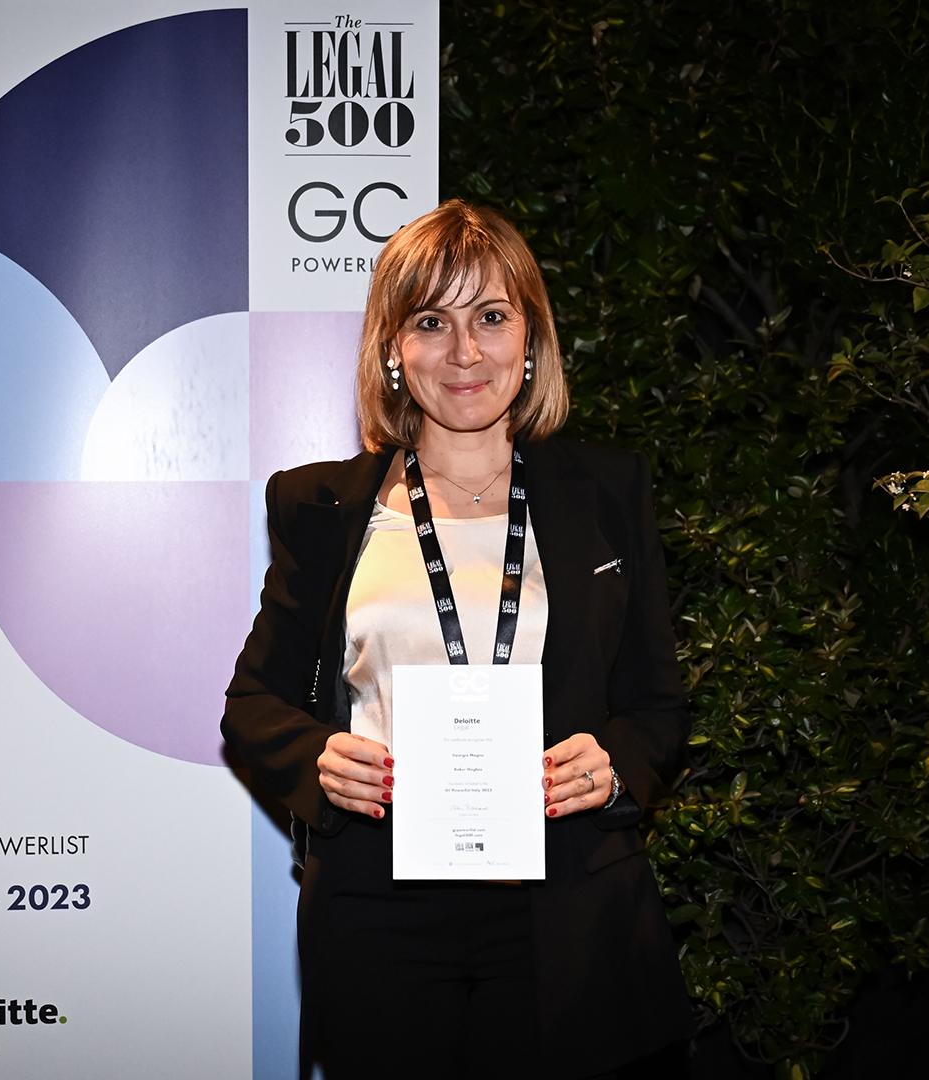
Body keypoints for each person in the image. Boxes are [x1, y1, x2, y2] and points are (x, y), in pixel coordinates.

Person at [221, 199, 693, 1078]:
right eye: (432, 322)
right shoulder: (319, 505)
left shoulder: (609, 492)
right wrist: (319, 756)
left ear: (532, 338)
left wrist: (615, 763)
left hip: (567, 908)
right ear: (393, 349)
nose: (466, 352)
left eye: (492, 317)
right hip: (378, 913)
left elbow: (658, 706)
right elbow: (253, 704)